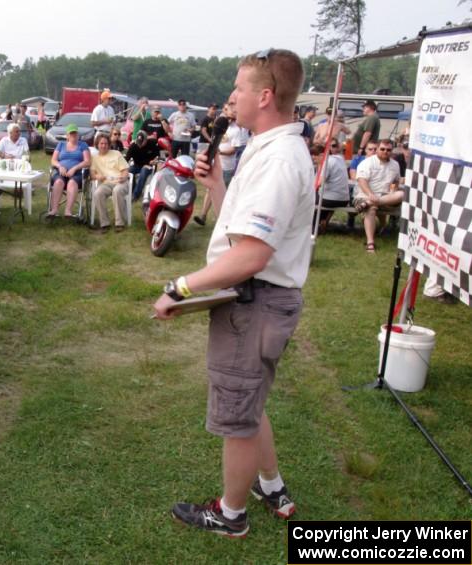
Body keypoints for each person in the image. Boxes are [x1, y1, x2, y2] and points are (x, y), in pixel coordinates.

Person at [154, 48, 314, 537]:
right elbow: (244, 230)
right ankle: (271, 484)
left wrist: (178, 288)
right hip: (253, 299)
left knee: (237, 416)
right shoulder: (268, 148)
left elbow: (251, 256)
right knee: (249, 402)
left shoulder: (279, 159)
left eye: (240, 87)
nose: (232, 96)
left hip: (254, 300)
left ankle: (231, 514)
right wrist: (220, 185)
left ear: (265, 96)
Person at [193, 102, 238, 227]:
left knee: (228, 195)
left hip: (228, 167)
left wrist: (220, 152)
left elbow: (233, 150)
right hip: (217, 165)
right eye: (223, 109)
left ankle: (224, 222)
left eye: (226, 109)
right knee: (210, 189)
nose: (224, 112)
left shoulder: (236, 130)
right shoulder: (219, 125)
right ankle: (203, 215)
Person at [354, 139, 402, 253]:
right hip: (364, 196)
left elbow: (396, 181)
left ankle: (369, 204)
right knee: (371, 209)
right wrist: (370, 195)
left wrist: (393, 189)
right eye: (382, 149)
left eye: (388, 150)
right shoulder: (367, 162)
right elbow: (361, 181)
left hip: (385, 197)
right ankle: (370, 243)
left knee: (401, 194)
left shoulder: (395, 164)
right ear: (377, 149)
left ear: (392, 151)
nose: (385, 152)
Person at [47, 124, 90, 220]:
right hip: (61, 172)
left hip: (77, 173)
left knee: (72, 183)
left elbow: (87, 161)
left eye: (75, 134)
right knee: (58, 182)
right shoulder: (61, 144)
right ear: (67, 136)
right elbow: (53, 160)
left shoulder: (83, 145)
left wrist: (74, 168)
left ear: (78, 135)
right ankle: (54, 210)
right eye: (71, 134)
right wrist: (60, 166)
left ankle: (68, 211)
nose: (74, 136)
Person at [90, 133, 130, 233]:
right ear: (97, 144)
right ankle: (105, 223)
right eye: (101, 143)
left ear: (109, 144)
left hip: (120, 182)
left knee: (117, 190)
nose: (104, 146)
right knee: (97, 193)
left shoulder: (116, 153)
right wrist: (97, 176)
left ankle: (119, 223)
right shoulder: (94, 157)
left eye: (106, 143)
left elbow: (125, 170)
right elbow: (92, 174)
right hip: (106, 183)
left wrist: (123, 177)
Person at [312, 143, 350, 234]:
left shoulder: (326, 163)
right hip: (344, 199)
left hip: (330, 199)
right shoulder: (339, 158)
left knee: (308, 198)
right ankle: (322, 222)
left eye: (314, 156)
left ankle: (312, 228)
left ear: (322, 155)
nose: (313, 159)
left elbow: (318, 184)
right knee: (320, 197)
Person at [126, 130, 159, 201]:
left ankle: (135, 195)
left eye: (142, 142)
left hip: (148, 166)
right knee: (129, 170)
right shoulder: (133, 146)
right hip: (137, 165)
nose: (139, 144)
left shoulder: (152, 144)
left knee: (143, 171)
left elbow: (157, 156)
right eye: (138, 142)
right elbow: (127, 158)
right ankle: (133, 189)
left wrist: (153, 161)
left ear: (146, 139)